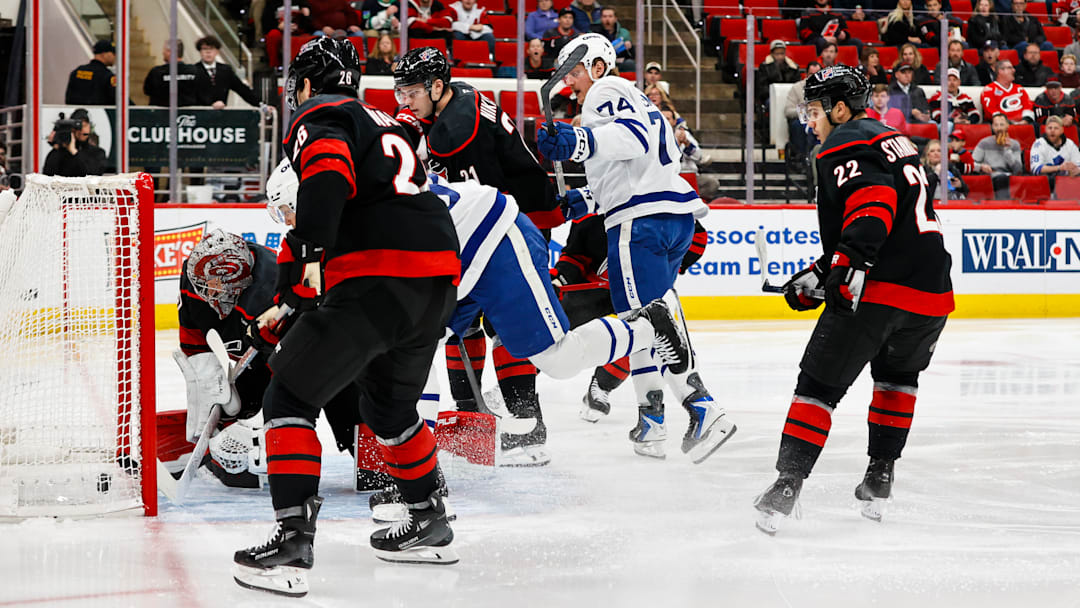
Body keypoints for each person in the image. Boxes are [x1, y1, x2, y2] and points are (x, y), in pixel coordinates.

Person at [232, 38, 461, 597]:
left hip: (378, 281)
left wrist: (301, 270)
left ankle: (291, 541)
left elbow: (329, 179)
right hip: (434, 284)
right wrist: (304, 288)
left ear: (307, 84)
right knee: (388, 408)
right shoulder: (390, 119)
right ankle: (429, 521)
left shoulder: (322, 114)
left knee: (287, 397)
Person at [754, 65, 953, 535]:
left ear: (840, 108)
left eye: (816, 108)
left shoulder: (843, 141)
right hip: (930, 295)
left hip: (881, 288)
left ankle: (786, 486)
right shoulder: (890, 137)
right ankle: (879, 477)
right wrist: (824, 271)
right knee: (897, 379)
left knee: (818, 385)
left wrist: (846, 268)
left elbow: (875, 203)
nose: (811, 118)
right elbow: (890, 214)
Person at [537, 33, 737, 461]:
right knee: (643, 323)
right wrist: (586, 198)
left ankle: (703, 409)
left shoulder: (606, 91)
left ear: (597, 65)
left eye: (576, 71)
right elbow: (633, 162)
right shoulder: (633, 97)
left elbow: (632, 139)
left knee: (647, 323)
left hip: (639, 222)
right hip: (669, 216)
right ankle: (652, 421)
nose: (571, 81)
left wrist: (578, 142)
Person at [393, 47, 562, 464]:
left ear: (436, 86)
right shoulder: (460, 95)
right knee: (458, 320)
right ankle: (472, 416)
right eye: (400, 92)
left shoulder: (454, 133)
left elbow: (469, 204)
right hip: (509, 214)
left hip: (512, 225)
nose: (404, 102)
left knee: (505, 324)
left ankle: (526, 424)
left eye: (411, 92)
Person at [174, 227, 363, 488]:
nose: (209, 296)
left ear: (238, 283)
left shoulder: (270, 291)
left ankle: (378, 458)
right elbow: (194, 343)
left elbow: (293, 368)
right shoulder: (194, 278)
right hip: (262, 354)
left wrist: (260, 425)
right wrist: (207, 382)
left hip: (320, 355)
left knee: (345, 418)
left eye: (218, 289)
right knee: (235, 402)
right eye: (205, 287)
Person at [193, 36, 262, 109]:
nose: (208, 52)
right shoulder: (193, 70)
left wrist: (262, 105)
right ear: (200, 51)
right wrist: (211, 104)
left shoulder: (226, 70)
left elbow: (242, 90)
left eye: (211, 48)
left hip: (222, 115)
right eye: (204, 49)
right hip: (199, 114)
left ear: (217, 52)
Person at [973, 112, 1024, 197]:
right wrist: (981, 167)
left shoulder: (1014, 144)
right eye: (996, 125)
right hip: (990, 176)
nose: (999, 128)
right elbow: (972, 164)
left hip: (1008, 176)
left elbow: (1018, 169)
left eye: (1001, 125)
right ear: (992, 127)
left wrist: (1007, 150)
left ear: (1007, 125)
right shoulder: (984, 143)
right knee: (1001, 179)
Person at [785, 61, 823, 162]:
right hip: (804, 120)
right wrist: (804, 108)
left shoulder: (827, 88)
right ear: (806, 75)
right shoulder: (797, 88)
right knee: (798, 125)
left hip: (822, 119)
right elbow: (788, 111)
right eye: (811, 74)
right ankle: (802, 159)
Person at [143, 40, 198, 107]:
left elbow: (147, 91)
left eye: (165, 50)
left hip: (161, 115)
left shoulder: (156, 72)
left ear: (170, 52)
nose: (163, 52)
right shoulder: (195, 71)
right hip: (190, 115)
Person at [1029, 115, 1080, 185]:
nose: (1052, 131)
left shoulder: (1070, 144)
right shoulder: (1038, 144)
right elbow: (1036, 169)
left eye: (1056, 128)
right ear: (1045, 129)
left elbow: (1078, 164)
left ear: (1062, 130)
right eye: (1050, 128)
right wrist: (1059, 168)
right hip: (1045, 184)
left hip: (1067, 183)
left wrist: (1076, 170)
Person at [980, 60, 1035, 124]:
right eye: (1010, 68)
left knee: (1035, 126)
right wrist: (1009, 123)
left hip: (1023, 124)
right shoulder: (989, 89)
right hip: (1001, 125)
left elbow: (1028, 106)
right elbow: (991, 112)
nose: (1013, 70)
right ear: (1000, 71)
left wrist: (1024, 121)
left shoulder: (1019, 89)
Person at [65, 40, 116, 105]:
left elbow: (69, 99)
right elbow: (118, 99)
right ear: (104, 54)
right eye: (113, 53)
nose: (115, 57)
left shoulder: (77, 71)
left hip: (78, 113)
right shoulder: (108, 76)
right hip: (100, 114)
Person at [591, 7, 634, 73]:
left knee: (630, 64)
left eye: (610, 16)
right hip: (599, 62)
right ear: (601, 18)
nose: (607, 19)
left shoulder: (624, 33)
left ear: (615, 18)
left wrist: (629, 47)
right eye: (604, 16)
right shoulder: (593, 32)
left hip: (618, 61)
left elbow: (631, 55)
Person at [757, 41, 801, 105]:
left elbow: (797, 85)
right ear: (772, 54)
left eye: (782, 53)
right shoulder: (764, 67)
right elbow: (762, 88)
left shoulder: (793, 67)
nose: (780, 57)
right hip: (771, 97)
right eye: (777, 54)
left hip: (790, 97)